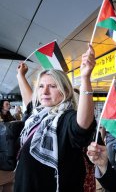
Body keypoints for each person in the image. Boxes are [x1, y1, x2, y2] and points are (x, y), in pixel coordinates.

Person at [14, 44, 97, 191]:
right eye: (41, 86)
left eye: (52, 86)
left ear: (65, 90)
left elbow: (82, 126)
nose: (45, 91)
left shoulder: (66, 117)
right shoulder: (38, 114)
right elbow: (29, 104)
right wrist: (20, 76)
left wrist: (85, 78)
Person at [0, 100, 16, 192]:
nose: (9, 105)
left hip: (10, 151)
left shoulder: (11, 117)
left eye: (9, 104)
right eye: (7, 104)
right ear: (1, 106)